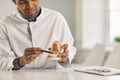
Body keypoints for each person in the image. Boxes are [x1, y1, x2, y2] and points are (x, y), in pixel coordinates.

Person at [0, 0, 76, 70]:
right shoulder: (4, 25)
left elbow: (69, 48)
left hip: (54, 75)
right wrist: (21, 61)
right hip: (21, 76)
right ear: (14, 1)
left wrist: (64, 58)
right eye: (23, 1)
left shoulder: (56, 18)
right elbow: (2, 59)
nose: (30, 6)